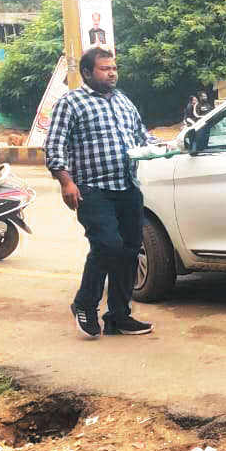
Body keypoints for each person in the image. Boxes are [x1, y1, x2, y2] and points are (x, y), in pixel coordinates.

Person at [44, 47, 158, 340]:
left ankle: (119, 316)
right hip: (93, 190)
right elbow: (55, 147)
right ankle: (84, 303)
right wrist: (66, 182)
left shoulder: (123, 101)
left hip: (127, 187)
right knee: (107, 245)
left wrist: (161, 147)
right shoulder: (71, 103)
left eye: (114, 68)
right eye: (105, 69)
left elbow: (141, 135)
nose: (112, 73)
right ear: (86, 73)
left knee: (130, 250)